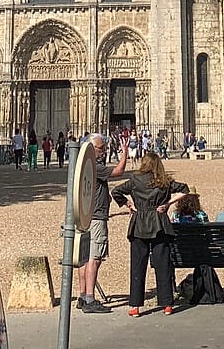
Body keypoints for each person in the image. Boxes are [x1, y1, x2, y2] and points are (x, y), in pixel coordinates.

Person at [112, 151, 183, 316]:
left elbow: (116, 191)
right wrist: (167, 203)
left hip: (140, 224)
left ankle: (135, 306)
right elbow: (185, 189)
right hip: (159, 223)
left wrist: (128, 203)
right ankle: (167, 304)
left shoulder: (135, 180)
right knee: (162, 264)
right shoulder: (164, 181)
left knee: (138, 266)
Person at [77, 132, 130, 314]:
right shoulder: (94, 166)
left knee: (84, 258)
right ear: (92, 148)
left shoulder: (82, 165)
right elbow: (118, 172)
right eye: (101, 148)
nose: (104, 151)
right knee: (95, 257)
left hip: (84, 216)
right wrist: (124, 153)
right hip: (96, 217)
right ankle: (90, 299)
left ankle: (83, 296)